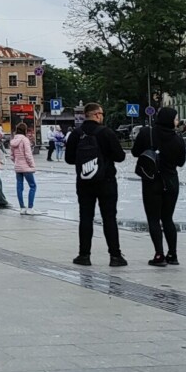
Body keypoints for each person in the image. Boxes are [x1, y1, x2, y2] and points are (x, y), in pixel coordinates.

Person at [66, 101, 127, 267]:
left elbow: (69, 159)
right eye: (102, 114)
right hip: (106, 181)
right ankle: (115, 256)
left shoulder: (76, 134)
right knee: (109, 218)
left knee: (85, 218)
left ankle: (84, 255)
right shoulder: (106, 132)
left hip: (84, 182)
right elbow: (120, 157)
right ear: (97, 115)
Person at [132, 107, 186, 268]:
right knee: (168, 218)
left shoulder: (146, 133)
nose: (177, 122)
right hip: (171, 182)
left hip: (151, 181)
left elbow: (135, 153)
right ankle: (173, 254)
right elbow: (181, 162)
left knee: (153, 219)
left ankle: (159, 254)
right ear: (169, 120)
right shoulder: (177, 139)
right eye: (176, 119)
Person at [11, 119, 37, 214]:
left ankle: (22, 208)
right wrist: (32, 165)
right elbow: (28, 155)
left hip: (18, 167)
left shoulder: (13, 141)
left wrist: (16, 162)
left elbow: (11, 156)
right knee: (33, 186)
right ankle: (30, 208)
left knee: (19, 187)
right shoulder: (25, 140)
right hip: (26, 167)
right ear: (25, 130)